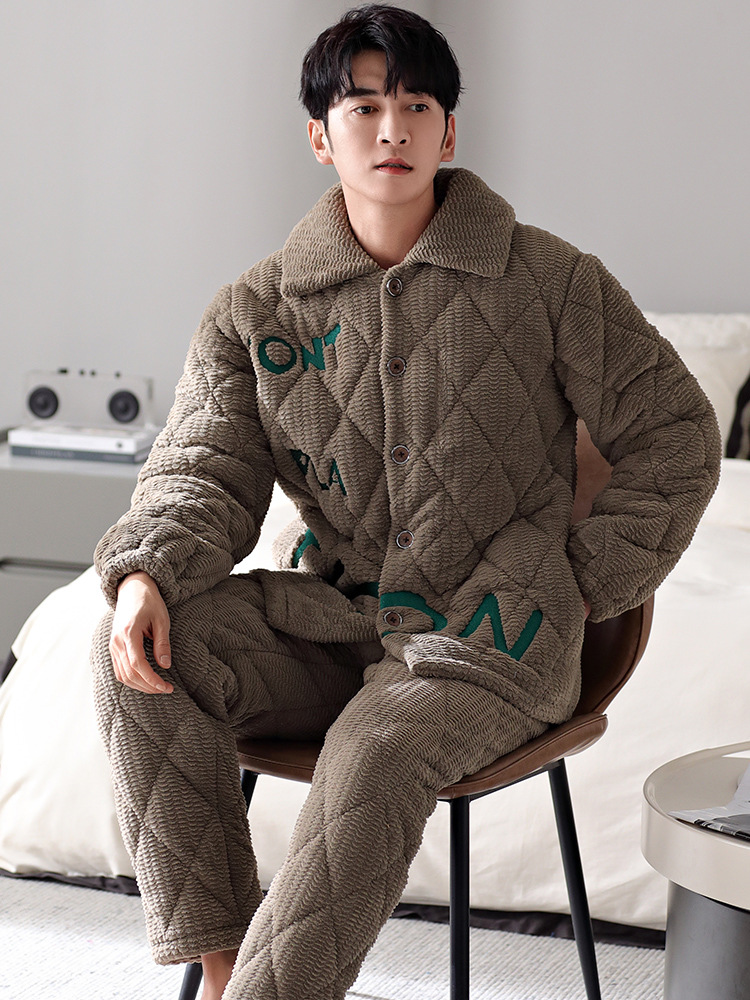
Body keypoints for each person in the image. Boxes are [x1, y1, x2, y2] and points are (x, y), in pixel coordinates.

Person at [91, 5, 721, 999]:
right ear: (321, 135)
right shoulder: (254, 311)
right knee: (140, 657)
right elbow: (202, 467)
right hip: (333, 619)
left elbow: (676, 434)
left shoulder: (549, 279)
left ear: (448, 130)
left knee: (376, 749)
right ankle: (224, 966)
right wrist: (143, 576)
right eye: (365, 107)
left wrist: (581, 581)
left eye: (418, 105)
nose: (393, 129)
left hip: (494, 634)